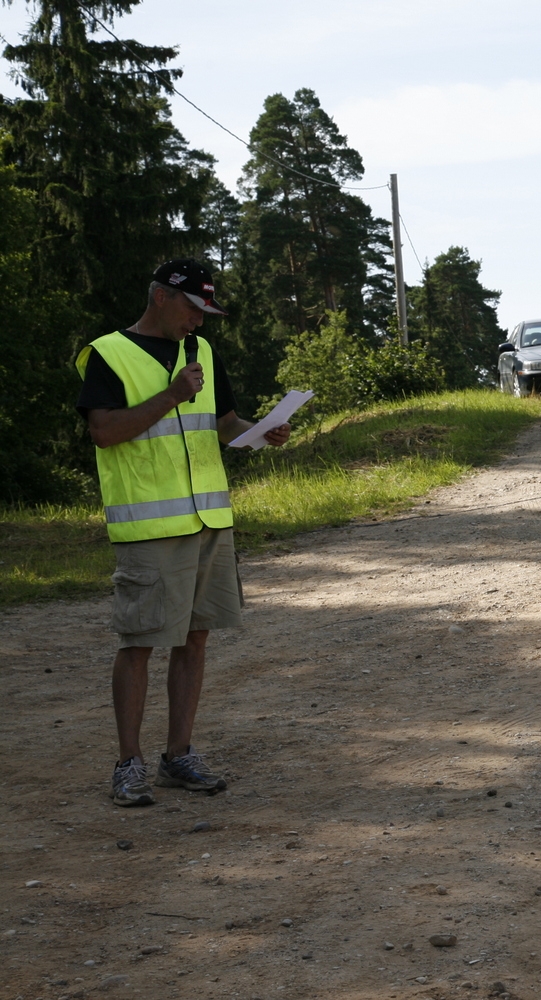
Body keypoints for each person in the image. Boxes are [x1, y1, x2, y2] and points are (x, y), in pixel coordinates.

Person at [75, 260, 291, 807]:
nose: (199, 322)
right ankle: (129, 764)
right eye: (194, 310)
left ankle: (179, 755)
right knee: (141, 642)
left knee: (196, 640)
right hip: (149, 526)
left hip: (209, 521)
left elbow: (223, 424)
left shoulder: (204, 355)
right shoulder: (108, 353)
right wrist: (170, 396)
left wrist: (264, 433)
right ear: (162, 298)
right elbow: (104, 433)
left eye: (205, 313)